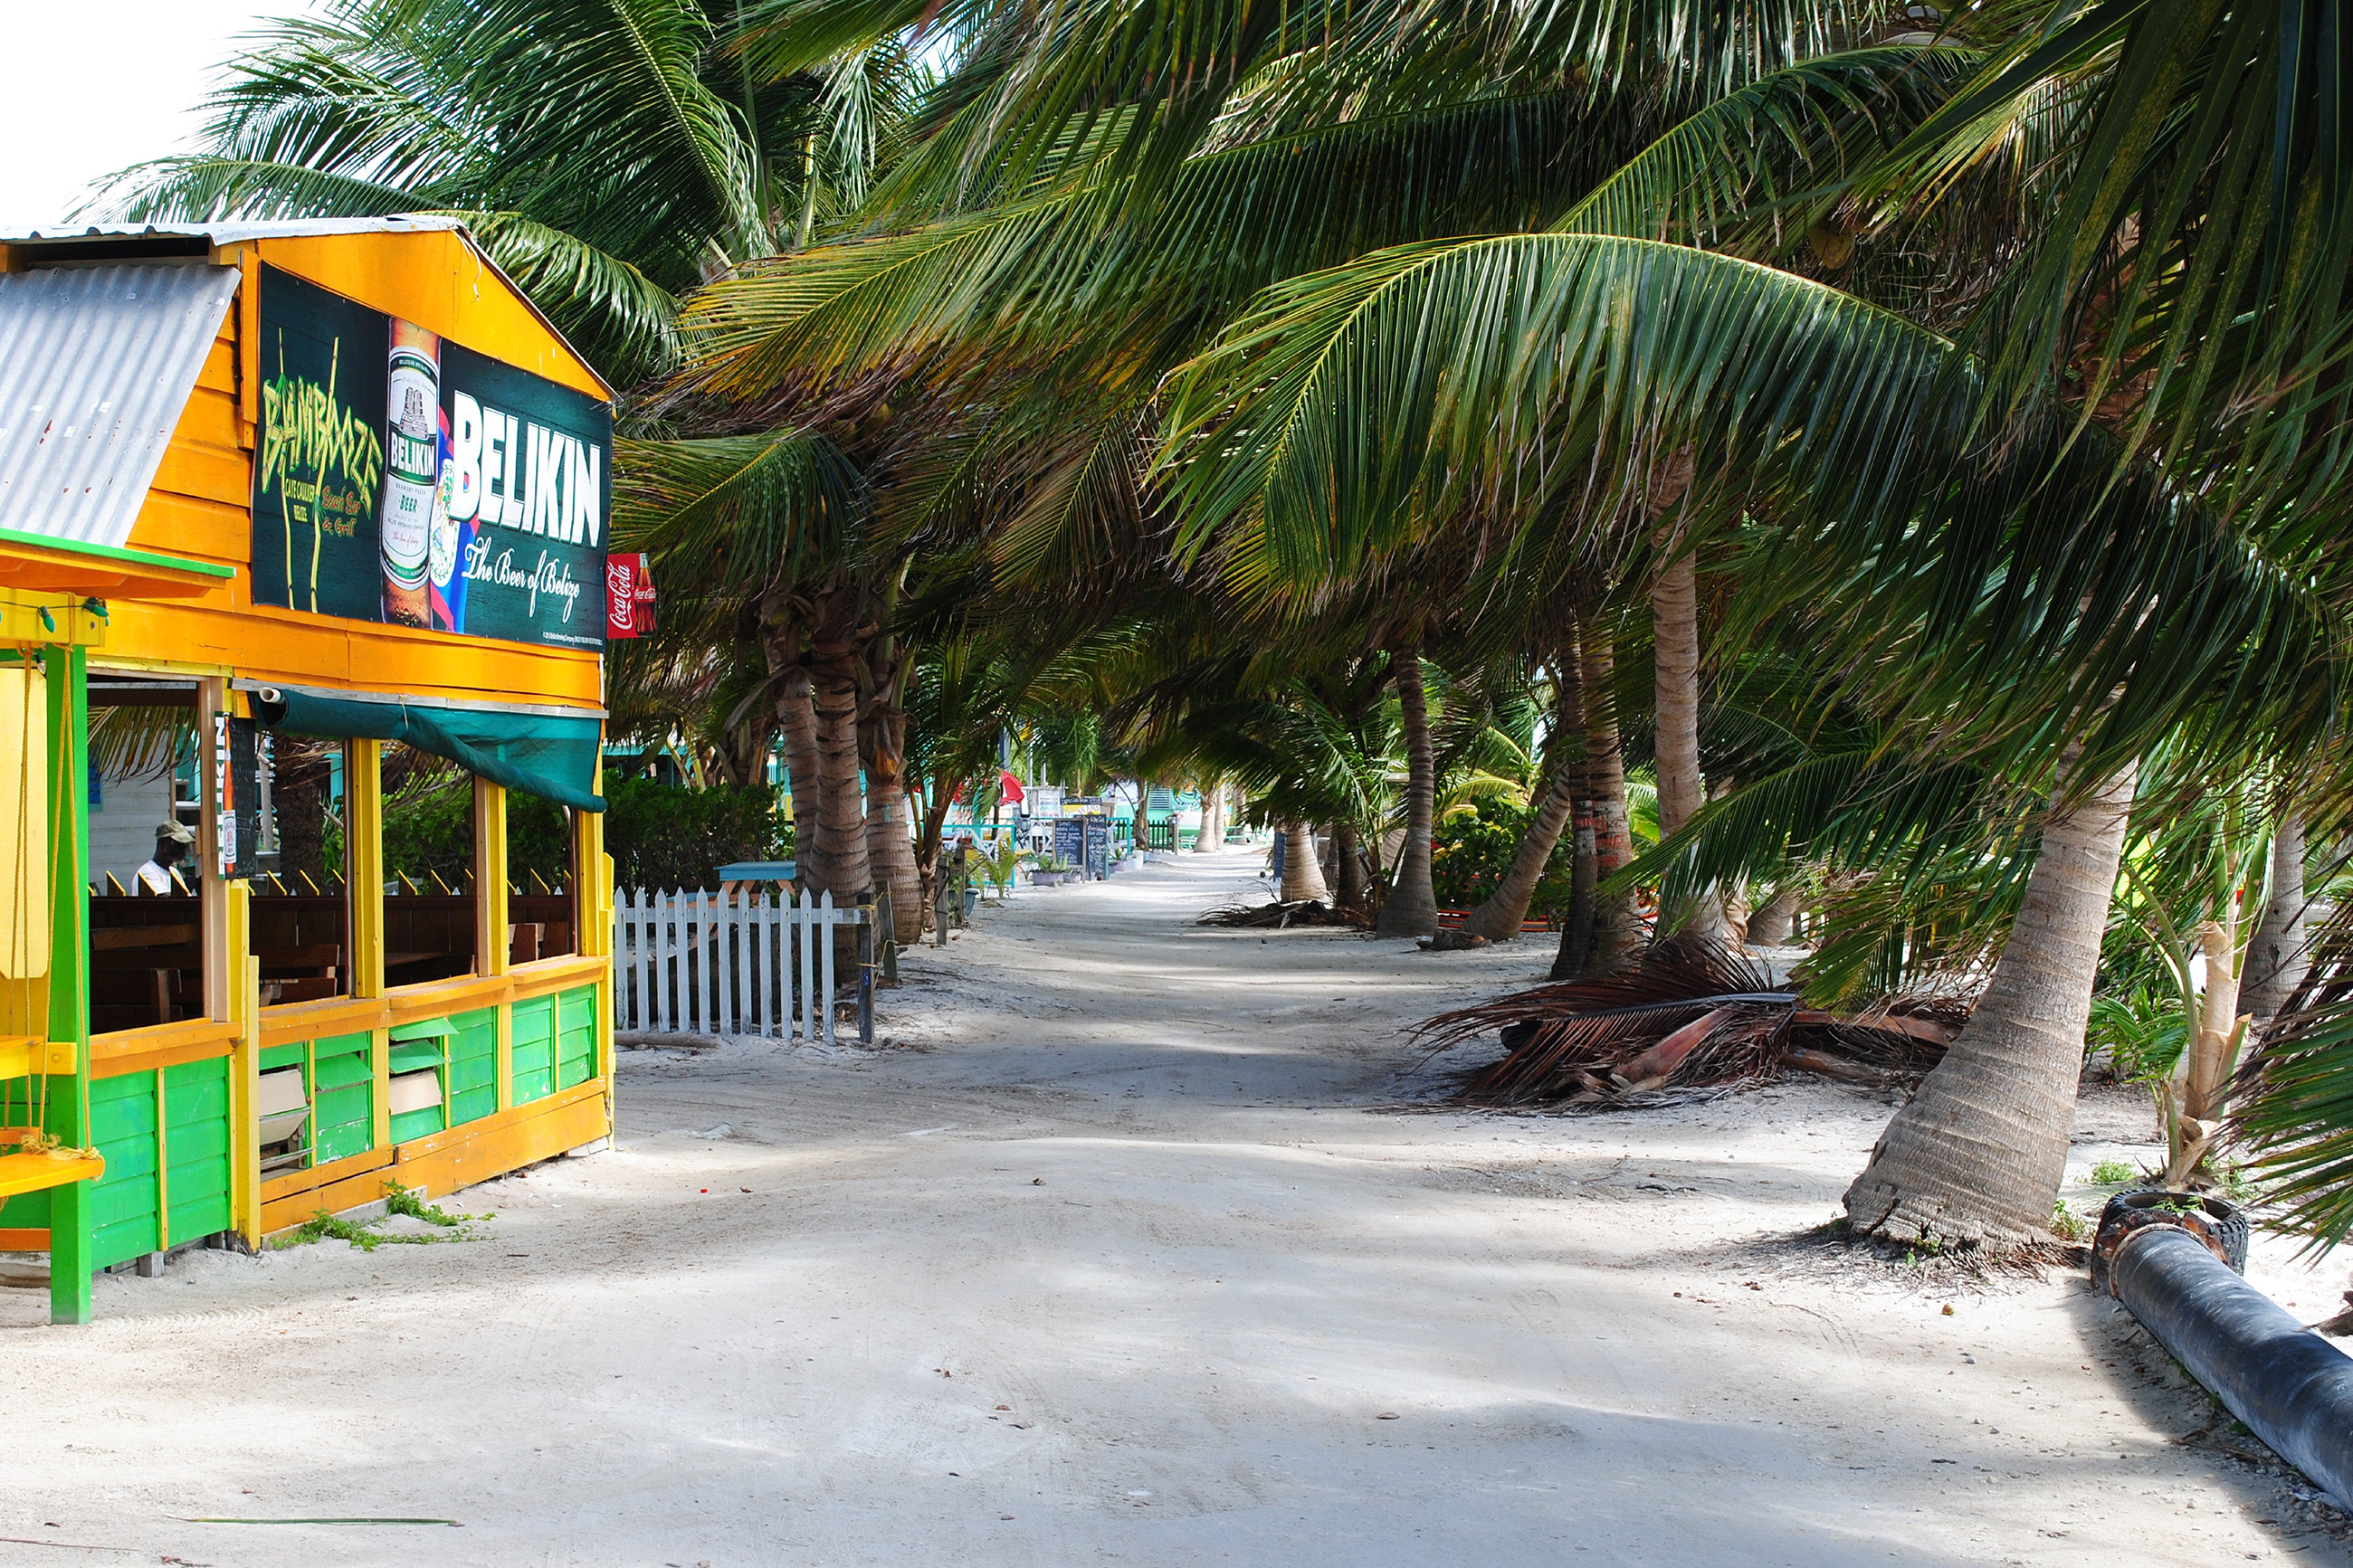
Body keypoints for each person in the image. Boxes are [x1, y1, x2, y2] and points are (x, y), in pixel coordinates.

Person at [136, 821, 195, 895]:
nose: (184, 850)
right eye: (179, 845)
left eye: (185, 845)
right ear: (163, 844)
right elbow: (165, 899)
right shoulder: (147, 872)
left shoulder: (174, 873)